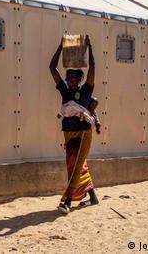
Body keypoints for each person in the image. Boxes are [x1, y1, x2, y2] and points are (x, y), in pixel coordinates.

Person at [49, 35, 100, 214]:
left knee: (76, 163)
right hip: (68, 132)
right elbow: (52, 68)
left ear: (79, 79)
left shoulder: (85, 91)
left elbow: (92, 67)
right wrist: (60, 47)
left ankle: (68, 201)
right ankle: (92, 197)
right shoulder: (64, 90)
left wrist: (90, 47)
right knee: (75, 164)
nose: (69, 79)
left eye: (73, 78)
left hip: (84, 132)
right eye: (68, 77)